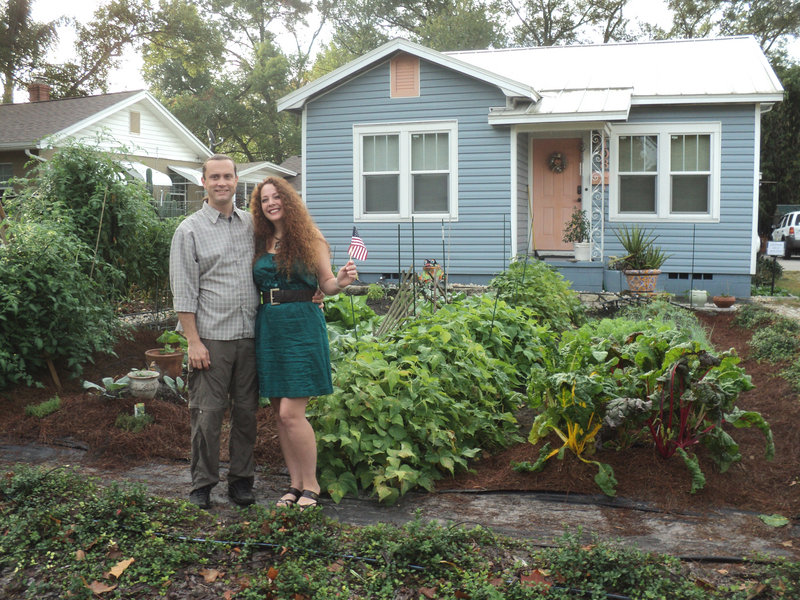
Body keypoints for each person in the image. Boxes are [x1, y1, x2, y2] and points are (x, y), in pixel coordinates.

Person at [251, 176, 357, 510]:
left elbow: (326, 283)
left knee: (291, 413)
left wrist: (339, 282)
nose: (271, 203)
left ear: (289, 200)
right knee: (278, 414)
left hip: (301, 327)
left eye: (276, 197)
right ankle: (294, 484)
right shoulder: (260, 240)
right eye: (265, 199)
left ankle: (312, 484)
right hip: (269, 326)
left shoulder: (310, 239)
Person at [169, 154, 260, 509]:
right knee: (206, 415)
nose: (222, 182)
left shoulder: (252, 225)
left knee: (247, 414)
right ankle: (202, 484)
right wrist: (193, 341)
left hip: (250, 335)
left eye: (228, 176)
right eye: (214, 177)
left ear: (237, 181)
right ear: (203, 182)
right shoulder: (188, 230)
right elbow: (183, 290)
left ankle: (241, 480)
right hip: (211, 339)